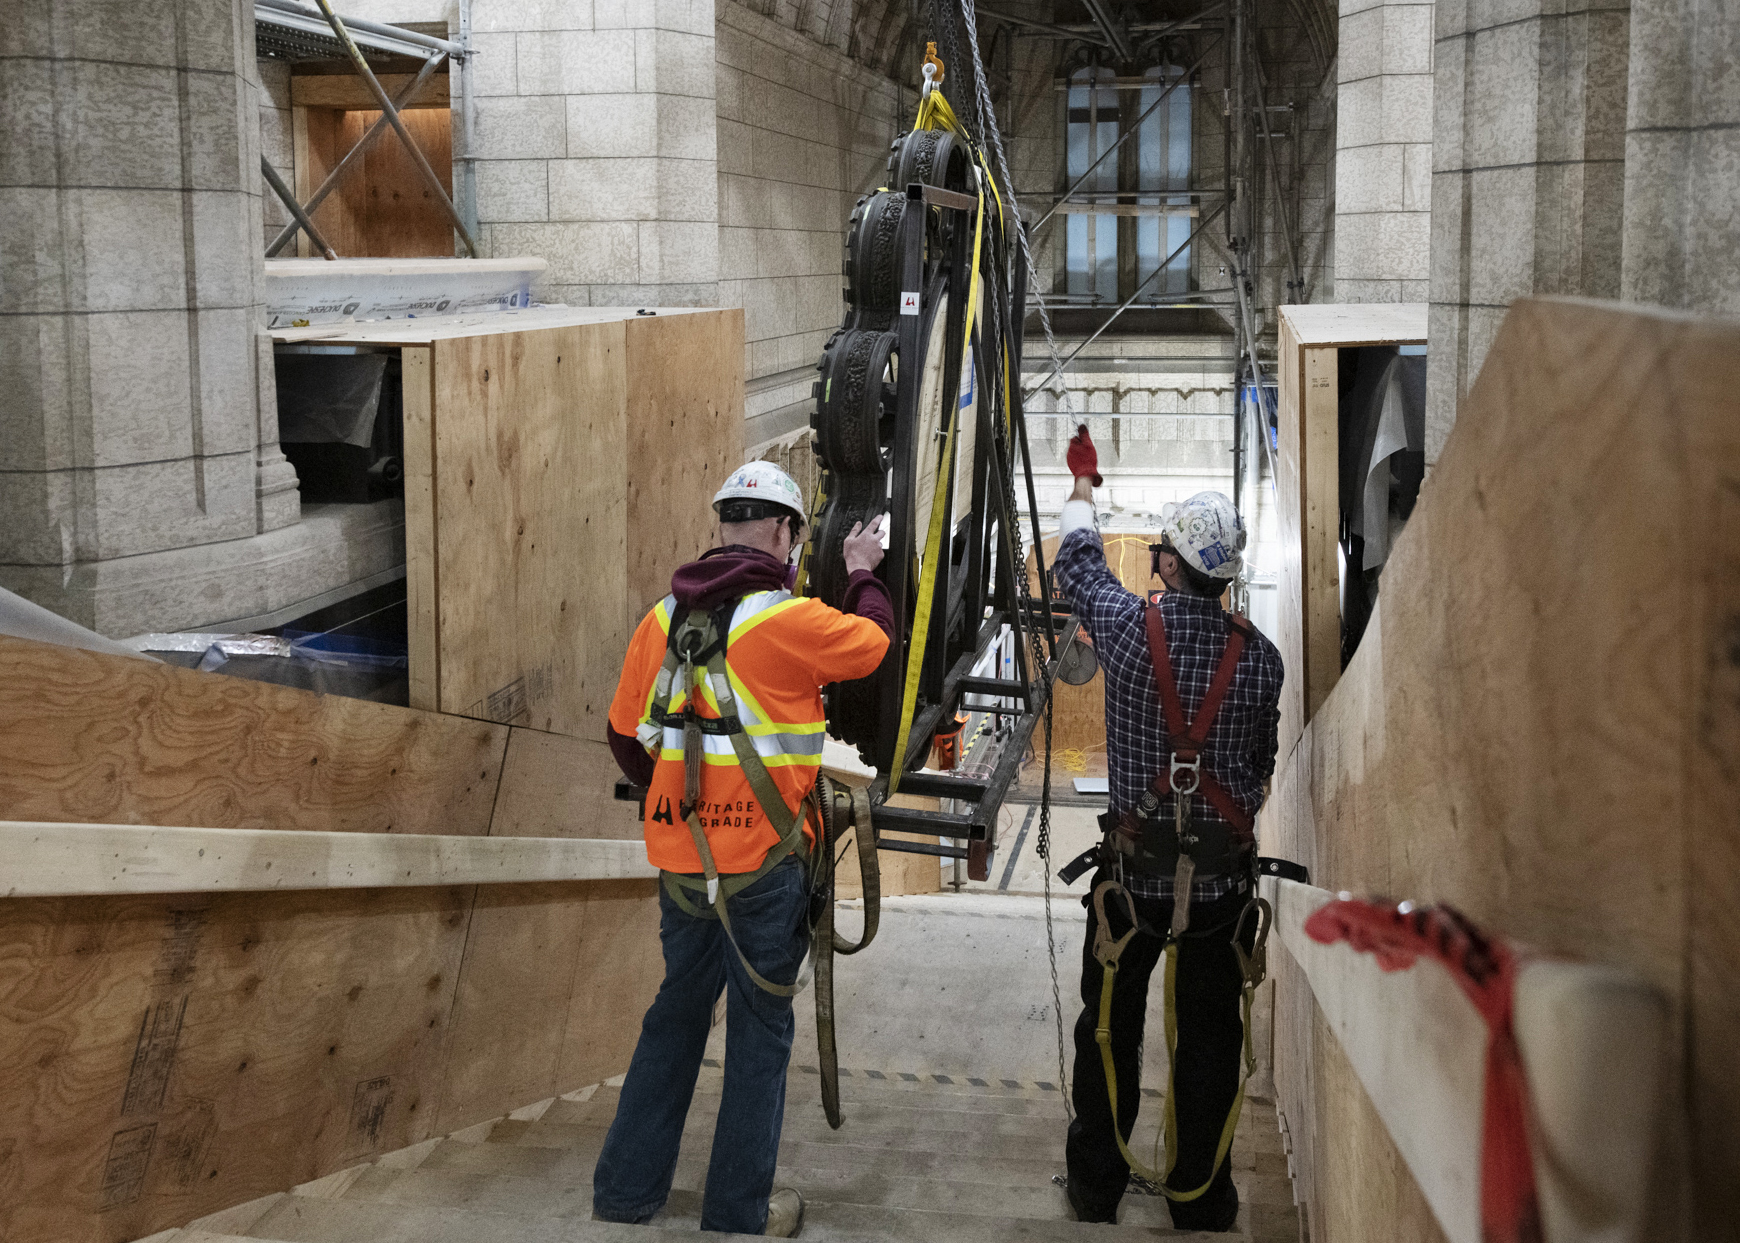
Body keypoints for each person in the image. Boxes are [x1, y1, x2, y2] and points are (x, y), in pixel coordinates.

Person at [594, 460, 891, 1238]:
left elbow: (627, 739)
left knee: (677, 1014)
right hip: (763, 867)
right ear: (787, 533)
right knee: (760, 1029)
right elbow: (873, 645)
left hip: (683, 867)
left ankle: (625, 1192)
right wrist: (862, 572)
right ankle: (735, 1212)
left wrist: (683, 801)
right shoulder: (787, 620)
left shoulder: (659, 620)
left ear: (725, 524)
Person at [1052, 425, 1283, 1232]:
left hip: (1134, 882)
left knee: (1109, 1029)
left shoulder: (1123, 629)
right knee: (1212, 1039)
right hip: (1219, 890)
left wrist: (1085, 484)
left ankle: (1095, 1189)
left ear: (1175, 563)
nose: (1153, 562)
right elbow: (1258, 766)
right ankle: (1199, 1198)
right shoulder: (1262, 661)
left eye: (1160, 553)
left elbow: (1074, 561)